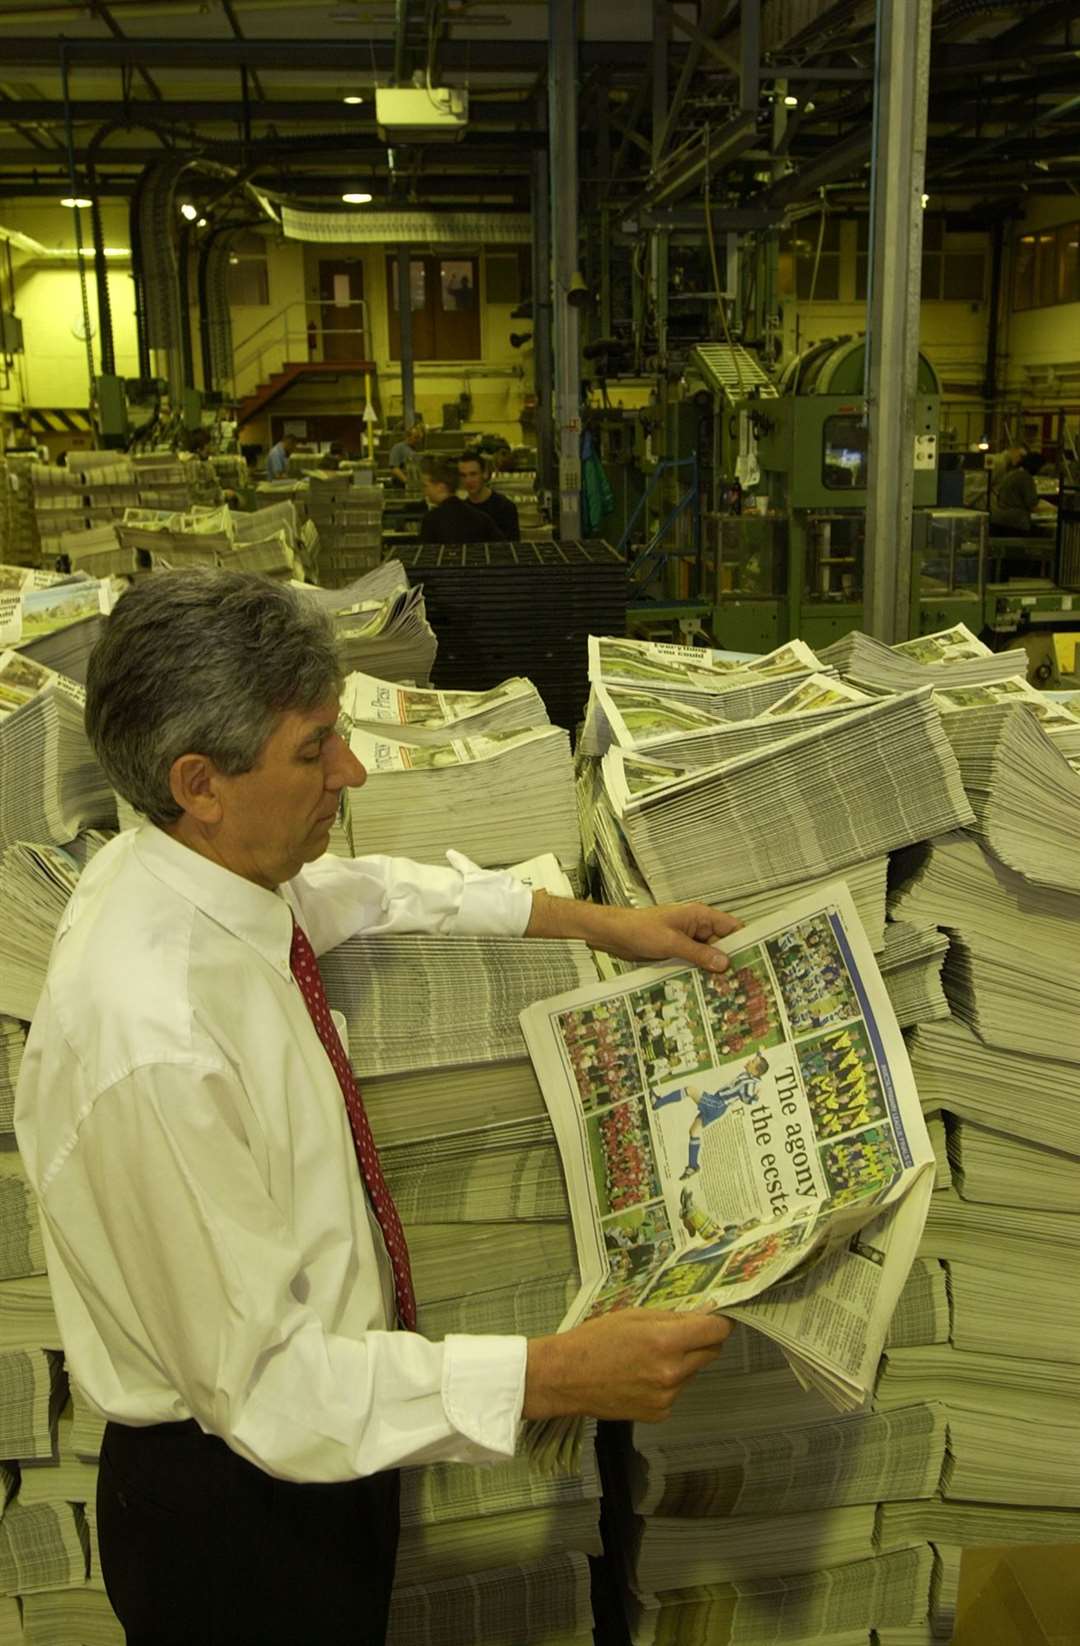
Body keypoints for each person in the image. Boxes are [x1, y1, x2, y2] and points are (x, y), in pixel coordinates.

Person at [14, 570, 739, 1646]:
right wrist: (556, 1371)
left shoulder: (194, 868)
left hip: (320, 1459)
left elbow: (369, 892)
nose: (348, 773)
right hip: (237, 1507)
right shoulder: (153, 1043)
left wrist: (598, 922)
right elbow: (269, 1389)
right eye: (314, 750)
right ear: (199, 780)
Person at [651, 1053, 770, 1179]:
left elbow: (748, 1100)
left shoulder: (750, 1083)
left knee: (689, 1090)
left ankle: (657, 1103)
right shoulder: (748, 1075)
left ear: (755, 1071)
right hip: (717, 1103)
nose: (749, 1061)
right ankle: (692, 1166)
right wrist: (760, 1055)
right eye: (751, 1059)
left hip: (718, 1104)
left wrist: (757, 1096)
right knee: (694, 1132)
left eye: (752, 1062)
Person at [418, 454, 501, 544]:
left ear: (441, 487)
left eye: (425, 486)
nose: (425, 492)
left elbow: (426, 555)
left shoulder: (431, 520)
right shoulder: (482, 518)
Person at [990, 449, 1058, 537]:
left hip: (998, 520)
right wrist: (1053, 509)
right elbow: (1033, 505)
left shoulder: (1011, 473)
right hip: (1015, 523)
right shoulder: (1025, 478)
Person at [459, 450, 520, 541]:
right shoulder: (461, 511)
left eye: (473, 474)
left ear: (485, 474)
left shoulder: (505, 508)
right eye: (463, 476)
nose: (468, 481)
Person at [388, 423, 424, 488]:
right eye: (416, 437)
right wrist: (407, 481)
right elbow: (394, 468)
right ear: (408, 437)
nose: (418, 440)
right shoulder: (398, 447)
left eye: (419, 438)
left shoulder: (417, 450)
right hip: (401, 485)